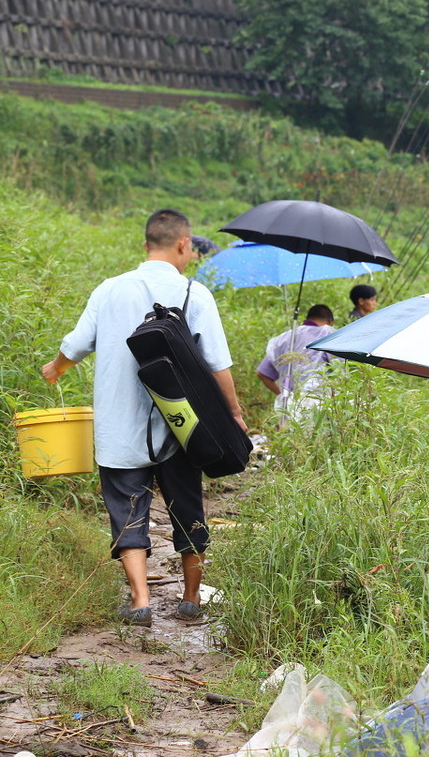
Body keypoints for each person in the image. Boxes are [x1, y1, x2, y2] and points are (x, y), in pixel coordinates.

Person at [42, 209, 245, 627]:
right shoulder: (195, 294)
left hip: (120, 424)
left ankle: (139, 600)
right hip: (182, 425)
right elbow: (218, 364)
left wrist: (56, 368)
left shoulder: (109, 290)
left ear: (145, 244)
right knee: (187, 505)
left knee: (126, 508)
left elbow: (78, 344)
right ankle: (190, 598)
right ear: (184, 244)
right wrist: (235, 414)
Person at [256, 304, 337, 427]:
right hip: (318, 404)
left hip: (288, 403)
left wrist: (283, 392)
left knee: (291, 443)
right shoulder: (328, 335)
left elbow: (262, 373)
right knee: (315, 442)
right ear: (329, 322)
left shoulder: (284, 338)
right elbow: (342, 371)